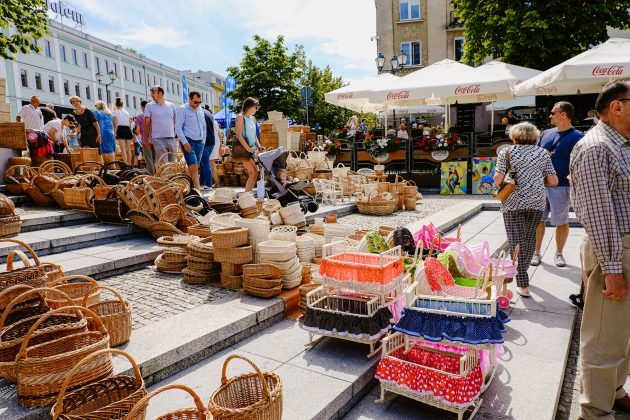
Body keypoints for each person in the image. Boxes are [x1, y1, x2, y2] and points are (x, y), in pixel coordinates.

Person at [570, 80, 630, 420]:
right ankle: (594, 411)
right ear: (616, 106)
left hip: (622, 246)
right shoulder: (596, 147)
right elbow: (596, 213)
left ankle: (615, 391)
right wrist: (611, 269)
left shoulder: (620, 144)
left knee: (621, 334)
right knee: (604, 336)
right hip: (614, 249)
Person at [494, 122, 558, 297]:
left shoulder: (506, 152)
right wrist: (536, 180)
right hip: (536, 202)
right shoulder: (543, 153)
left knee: (516, 242)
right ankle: (522, 272)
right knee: (528, 241)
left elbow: (499, 179)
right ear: (534, 136)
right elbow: (553, 181)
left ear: (514, 136)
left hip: (513, 202)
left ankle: (523, 283)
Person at [531, 101, 584, 267]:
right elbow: (534, 154)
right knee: (537, 220)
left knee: (561, 221)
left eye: (553, 113)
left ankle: (559, 253)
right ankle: (536, 252)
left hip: (561, 185)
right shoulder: (545, 133)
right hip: (540, 185)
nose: (550, 116)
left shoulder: (578, 137)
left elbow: (580, 162)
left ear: (563, 114)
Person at [175, 91, 206, 191]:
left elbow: (203, 126)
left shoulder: (200, 109)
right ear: (189, 99)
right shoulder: (182, 109)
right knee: (193, 167)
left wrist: (203, 141)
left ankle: (189, 187)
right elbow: (178, 127)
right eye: (195, 102)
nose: (197, 104)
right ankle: (198, 190)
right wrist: (184, 142)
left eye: (199, 102)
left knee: (194, 166)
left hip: (200, 142)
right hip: (189, 141)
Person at [235, 97, 264, 192]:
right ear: (250, 106)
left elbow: (254, 135)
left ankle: (247, 195)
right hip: (244, 150)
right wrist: (248, 148)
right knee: (253, 173)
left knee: (255, 173)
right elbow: (239, 135)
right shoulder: (240, 117)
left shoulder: (253, 119)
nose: (257, 109)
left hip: (251, 150)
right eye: (256, 107)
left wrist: (259, 146)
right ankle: (246, 196)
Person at [144, 85, 177, 165]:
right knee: (164, 163)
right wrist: (147, 138)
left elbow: (175, 120)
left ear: (160, 93)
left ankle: (171, 177)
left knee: (173, 163)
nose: (151, 94)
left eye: (153, 92)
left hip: (171, 137)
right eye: (151, 92)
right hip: (158, 139)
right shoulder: (149, 106)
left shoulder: (171, 105)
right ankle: (165, 177)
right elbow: (147, 123)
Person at [200, 105, 218, 190]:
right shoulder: (209, 114)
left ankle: (208, 184)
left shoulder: (200, 113)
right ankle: (203, 183)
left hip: (205, 141)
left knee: (205, 163)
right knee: (204, 163)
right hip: (211, 142)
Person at [135, 100, 155, 175]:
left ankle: (151, 176)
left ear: (142, 107)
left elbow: (137, 130)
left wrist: (136, 132)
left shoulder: (139, 117)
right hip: (155, 139)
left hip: (145, 140)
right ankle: (158, 175)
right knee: (155, 159)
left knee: (149, 159)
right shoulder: (154, 115)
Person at [112, 97, 134, 165]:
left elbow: (115, 124)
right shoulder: (127, 112)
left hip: (121, 129)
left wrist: (114, 133)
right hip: (128, 129)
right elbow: (130, 123)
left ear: (116, 105)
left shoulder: (115, 112)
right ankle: (130, 164)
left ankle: (125, 164)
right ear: (122, 104)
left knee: (123, 149)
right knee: (128, 149)